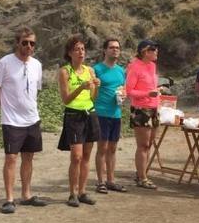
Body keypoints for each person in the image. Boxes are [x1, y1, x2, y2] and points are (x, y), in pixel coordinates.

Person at [0, 26, 47, 214]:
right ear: (17, 43)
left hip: (32, 118)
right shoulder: (5, 63)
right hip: (12, 120)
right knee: (11, 158)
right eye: (25, 42)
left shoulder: (37, 65)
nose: (29, 46)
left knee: (28, 158)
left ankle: (26, 194)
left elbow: (35, 89)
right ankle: (9, 198)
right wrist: (3, 108)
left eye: (32, 43)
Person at [57, 35, 101, 207]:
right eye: (77, 49)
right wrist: (80, 88)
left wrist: (96, 86)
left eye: (83, 49)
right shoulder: (65, 71)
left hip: (90, 113)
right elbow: (66, 99)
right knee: (76, 156)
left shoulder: (90, 70)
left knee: (87, 155)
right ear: (69, 53)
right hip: (74, 115)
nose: (81, 52)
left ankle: (82, 191)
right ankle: (72, 193)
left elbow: (93, 97)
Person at [125, 39, 163, 190]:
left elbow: (150, 85)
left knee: (149, 144)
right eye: (153, 49)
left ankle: (141, 173)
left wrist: (157, 92)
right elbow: (129, 91)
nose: (156, 52)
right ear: (145, 52)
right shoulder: (135, 67)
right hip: (141, 109)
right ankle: (142, 178)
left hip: (153, 108)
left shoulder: (152, 66)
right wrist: (148, 93)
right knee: (143, 145)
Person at [93, 38, 128, 194]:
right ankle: (100, 181)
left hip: (116, 113)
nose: (115, 50)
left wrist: (124, 95)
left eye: (117, 48)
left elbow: (123, 88)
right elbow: (92, 91)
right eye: (112, 47)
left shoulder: (121, 70)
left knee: (113, 148)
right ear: (105, 50)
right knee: (102, 147)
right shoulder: (97, 69)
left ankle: (111, 180)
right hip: (101, 112)